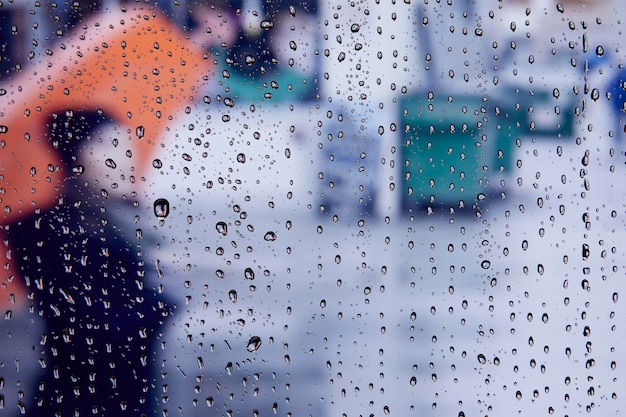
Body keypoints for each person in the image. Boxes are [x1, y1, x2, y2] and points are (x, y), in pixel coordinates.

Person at [0, 6, 212, 416]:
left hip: (121, 394)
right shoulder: (41, 228)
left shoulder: (108, 220)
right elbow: (96, 325)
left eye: (124, 144)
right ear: (77, 162)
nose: (127, 157)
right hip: (83, 401)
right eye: (109, 150)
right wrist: (158, 298)